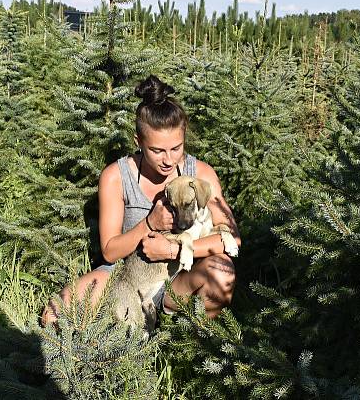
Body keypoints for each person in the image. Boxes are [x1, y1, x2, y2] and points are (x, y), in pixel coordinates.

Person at [41, 74, 240, 326]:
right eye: (157, 151)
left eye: (176, 148)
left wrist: (172, 250)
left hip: (178, 279)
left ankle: (189, 343)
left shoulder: (200, 174)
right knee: (53, 314)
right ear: (139, 142)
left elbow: (232, 238)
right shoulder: (117, 176)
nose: (168, 160)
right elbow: (110, 252)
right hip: (126, 276)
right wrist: (149, 224)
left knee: (222, 274)